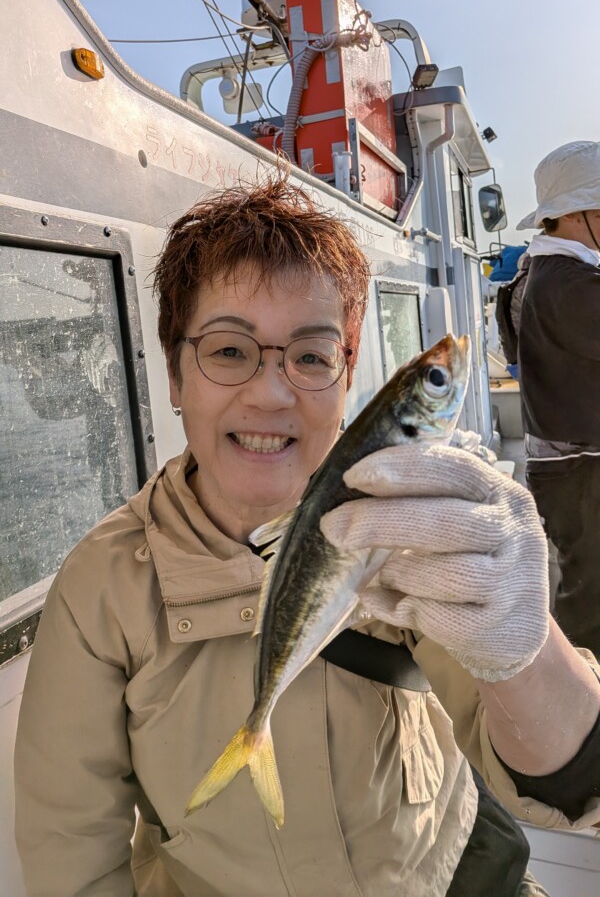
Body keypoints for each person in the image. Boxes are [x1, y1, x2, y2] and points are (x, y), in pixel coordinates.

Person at [14, 176, 600, 897]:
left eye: (312, 355)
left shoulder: (415, 520)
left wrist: (526, 641)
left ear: (348, 371)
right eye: (229, 351)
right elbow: (74, 858)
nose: (270, 392)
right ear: (174, 372)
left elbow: (571, 781)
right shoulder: (100, 588)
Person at [516, 139, 600, 656]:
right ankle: (584, 712)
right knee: (592, 599)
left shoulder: (533, 275)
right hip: (584, 470)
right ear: (580, 213)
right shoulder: (571, 285)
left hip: (563, 468)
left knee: (584, 584)